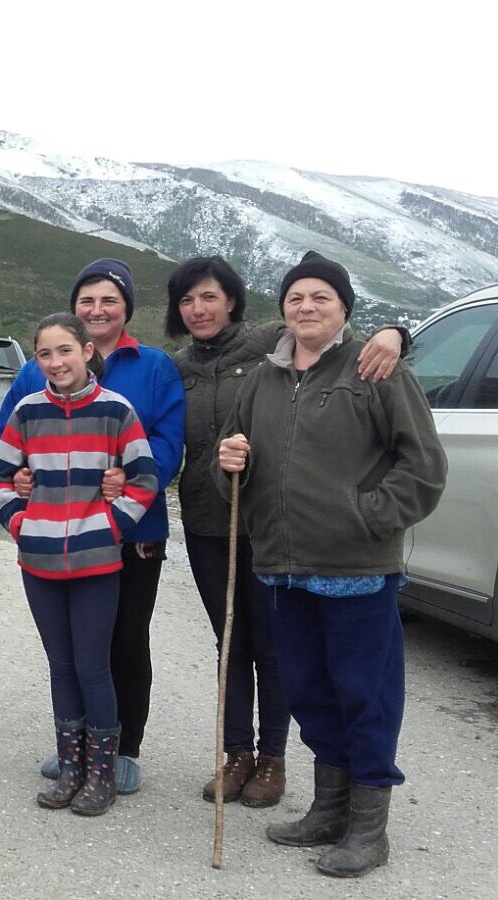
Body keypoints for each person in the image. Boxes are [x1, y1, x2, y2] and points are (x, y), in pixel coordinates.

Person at [217, 251, 445, 878]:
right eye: (296, 298)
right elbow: (232, 467)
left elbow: (424, 468)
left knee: (365, 696)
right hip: (283, 567)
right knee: (312, 692)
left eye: (321, 297)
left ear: (343, 307)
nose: (307, 307)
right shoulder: (262, 378)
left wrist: (367, 516)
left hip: (356, 568)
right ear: (283, 310)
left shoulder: (377, 368)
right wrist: (229, 461)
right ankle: (329, 809)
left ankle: (370, 830)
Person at [166, 255, 406, 809]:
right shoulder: (176, 366)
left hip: (273, 530)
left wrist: (397, 332)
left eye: (208, 296)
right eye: (186, 300)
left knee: (275, 649)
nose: (198, 309)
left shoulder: (271, 343)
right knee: (231, 642)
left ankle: (272, 758)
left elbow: (339, 333)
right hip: (210, 517)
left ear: (232, 299)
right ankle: (237, 756)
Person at [0, 258, 184, 792]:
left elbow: (161, 452)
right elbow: (5, 459)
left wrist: (116, 501)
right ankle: (72, 755)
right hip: (47, 542)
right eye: (87, 299)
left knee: (119, 645)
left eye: (109, 300)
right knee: (66, 660)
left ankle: (120, 753)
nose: (98, 309)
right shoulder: (34, 389)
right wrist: (23, 510)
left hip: (121, 536)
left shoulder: (149, 370)